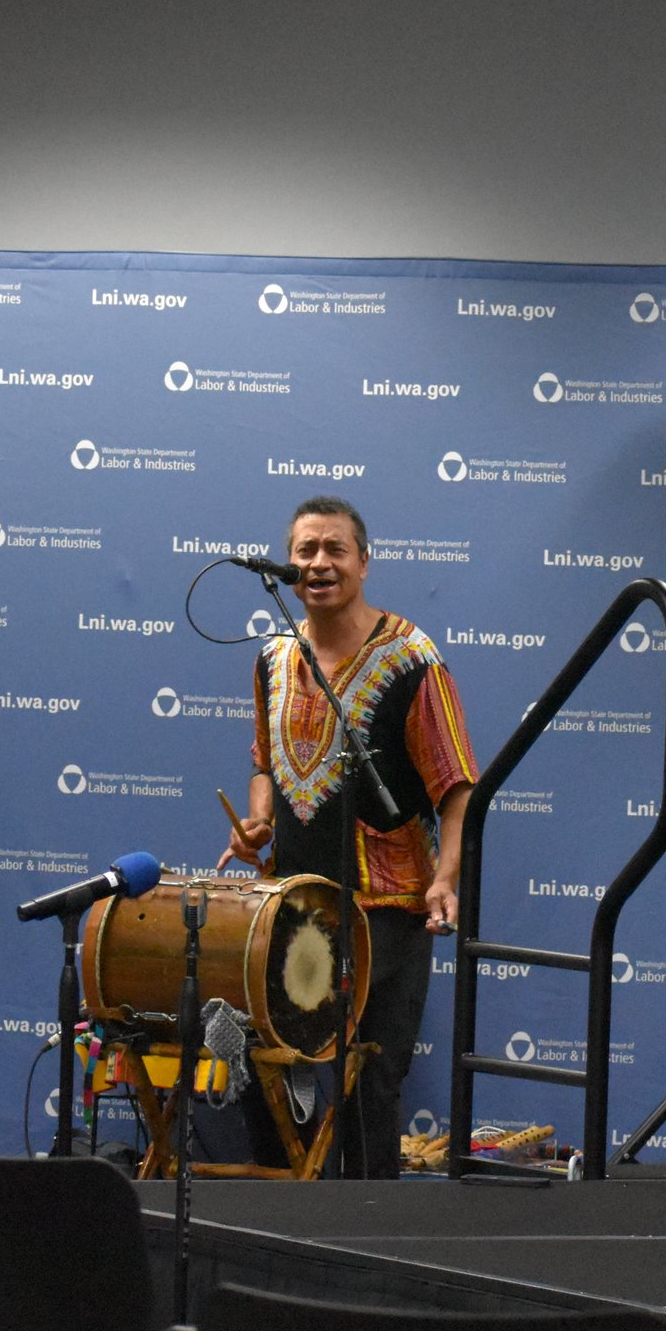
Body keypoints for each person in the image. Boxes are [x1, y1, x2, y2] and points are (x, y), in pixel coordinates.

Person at [218, 495, 476, 1178]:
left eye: (334, 549)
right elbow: (265, 761)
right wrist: (259, 822)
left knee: (370, 1085)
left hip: (387, 912)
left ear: (364, 560)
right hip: (292, 905)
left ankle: (364, 1238)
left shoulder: (411, 657)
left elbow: (456, 785)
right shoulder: (273, 657)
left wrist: (445, 876)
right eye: (305, 551)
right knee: (268, 1068)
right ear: (287, 567)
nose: (319, 563)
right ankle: (280, 1224)